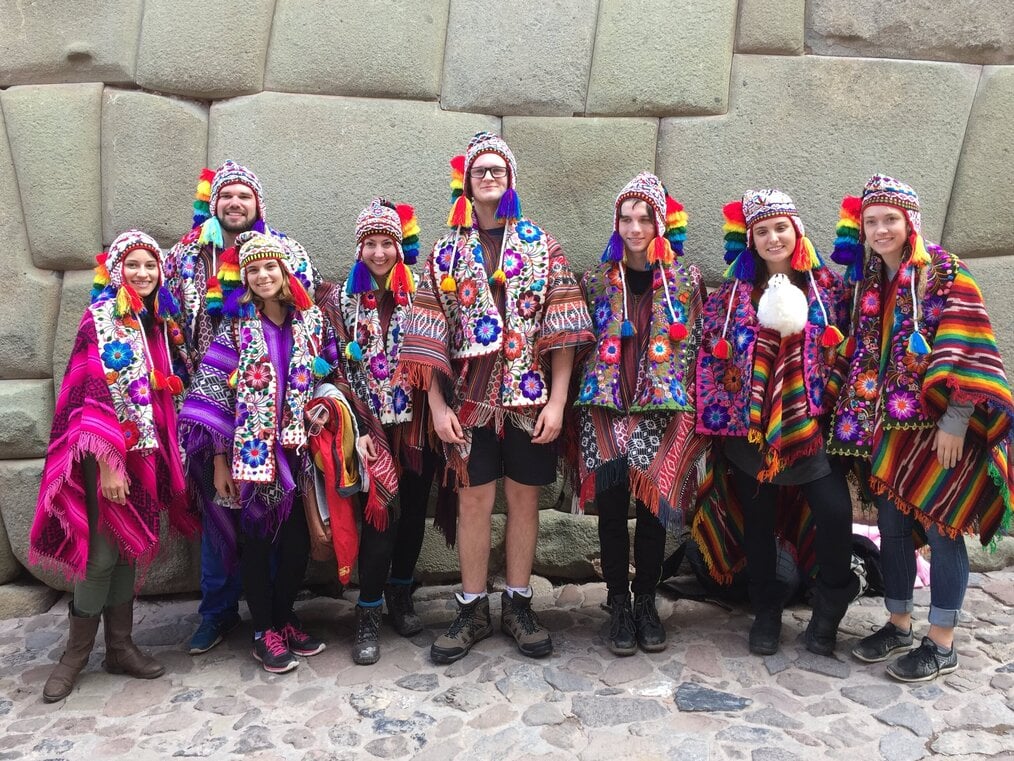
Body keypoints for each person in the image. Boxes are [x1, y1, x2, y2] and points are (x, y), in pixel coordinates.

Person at [398, 131, 593, 663]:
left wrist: (556, 401)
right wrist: (437, 410)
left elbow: (565, 325)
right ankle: (471, 607)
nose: (489, 177)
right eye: (480, 169)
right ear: (466, 180)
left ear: (510, 180)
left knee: (525, 499)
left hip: (530, 404)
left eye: (498, 170)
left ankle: (519, 603)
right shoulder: (445, 251)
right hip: (467, 404)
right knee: (473, 502)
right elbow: (424, 337)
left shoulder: (541, 245)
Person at [827, 174, 1013, 681]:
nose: (882, 229)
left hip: (939, 430)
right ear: (861, 227)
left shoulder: (947, 271)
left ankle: (943, 641)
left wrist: (956, 422)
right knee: (891, 529)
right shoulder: (868, 279)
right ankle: (899, 622)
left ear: (911, 220)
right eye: (872, 221)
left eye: (891, 219)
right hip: (889, 430)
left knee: (941, 527)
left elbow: (971, 348)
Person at [30, 230, 198, 702]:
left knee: (128, 547)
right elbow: (88, 395)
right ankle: (74, 656)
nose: (142, 273)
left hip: (148, 454)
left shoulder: (162, 323)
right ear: (116, 269)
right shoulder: (100, 320)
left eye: (150, 265)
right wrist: (108, 465)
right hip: (105, 455)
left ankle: (121, 648)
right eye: (133, 265)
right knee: (101, 554)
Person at [166, 160, 321, 655]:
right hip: (218, 413)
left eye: (244, 196)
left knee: (282, 530)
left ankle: (279, 613)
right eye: (226, 196)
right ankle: (220, 615)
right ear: (214, 204)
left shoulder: (290, 262)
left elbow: (324, 360)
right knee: (224, 523)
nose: (235, 203)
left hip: (289, 426)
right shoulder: (187, 256)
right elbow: (166, 315)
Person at [694, 189, 857, 657]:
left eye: (780, 228)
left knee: (833, 512)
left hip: (811, 429)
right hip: (752, 433)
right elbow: (710, 357)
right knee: (757, 521)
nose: (772, 238)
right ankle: (766, 611)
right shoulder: (731, 298)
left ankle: (829, 611)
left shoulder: (827, 291)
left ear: (797, 232)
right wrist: (727, 416)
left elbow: (850, 350)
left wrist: (827, 405)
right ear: (750, 239)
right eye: (761, 231)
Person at [178, 233, 338, 674]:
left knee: (297, 543)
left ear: (285, 273)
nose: (263, 275)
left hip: (299, 452)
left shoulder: (311, 324)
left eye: (271, 268)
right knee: (257, 541)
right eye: (254, 270)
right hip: (251, 457)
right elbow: (210, 398)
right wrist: (218, 460)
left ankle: (285, 617)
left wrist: (326, 405)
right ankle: (262, 629)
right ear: (244, 280)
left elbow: (331, 372)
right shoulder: (234, 331)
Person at [572, 172, 706, 656]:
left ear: (660, 223)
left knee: (652, 514)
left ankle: (646, 600)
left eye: (644, 218)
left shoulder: (686, 283)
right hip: (606, 410)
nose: (634, 228)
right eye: (626, 219)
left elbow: (695, 348)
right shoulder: (595, 281)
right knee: (610, 513)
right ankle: (618, 602)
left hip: (660, 409)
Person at [317, 198, 438, 665]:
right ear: (359, 247)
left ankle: (401, 594)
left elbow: (434, 351)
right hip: (369, 429)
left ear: (400, 245)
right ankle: (367, 612)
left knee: (412, 515)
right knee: (380, 515)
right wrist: (360, 424)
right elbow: (336, 362)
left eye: (387, 242)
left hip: (417, 424)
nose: (380, 252)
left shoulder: (422, 294)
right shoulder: (341, 301)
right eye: (371, 243)